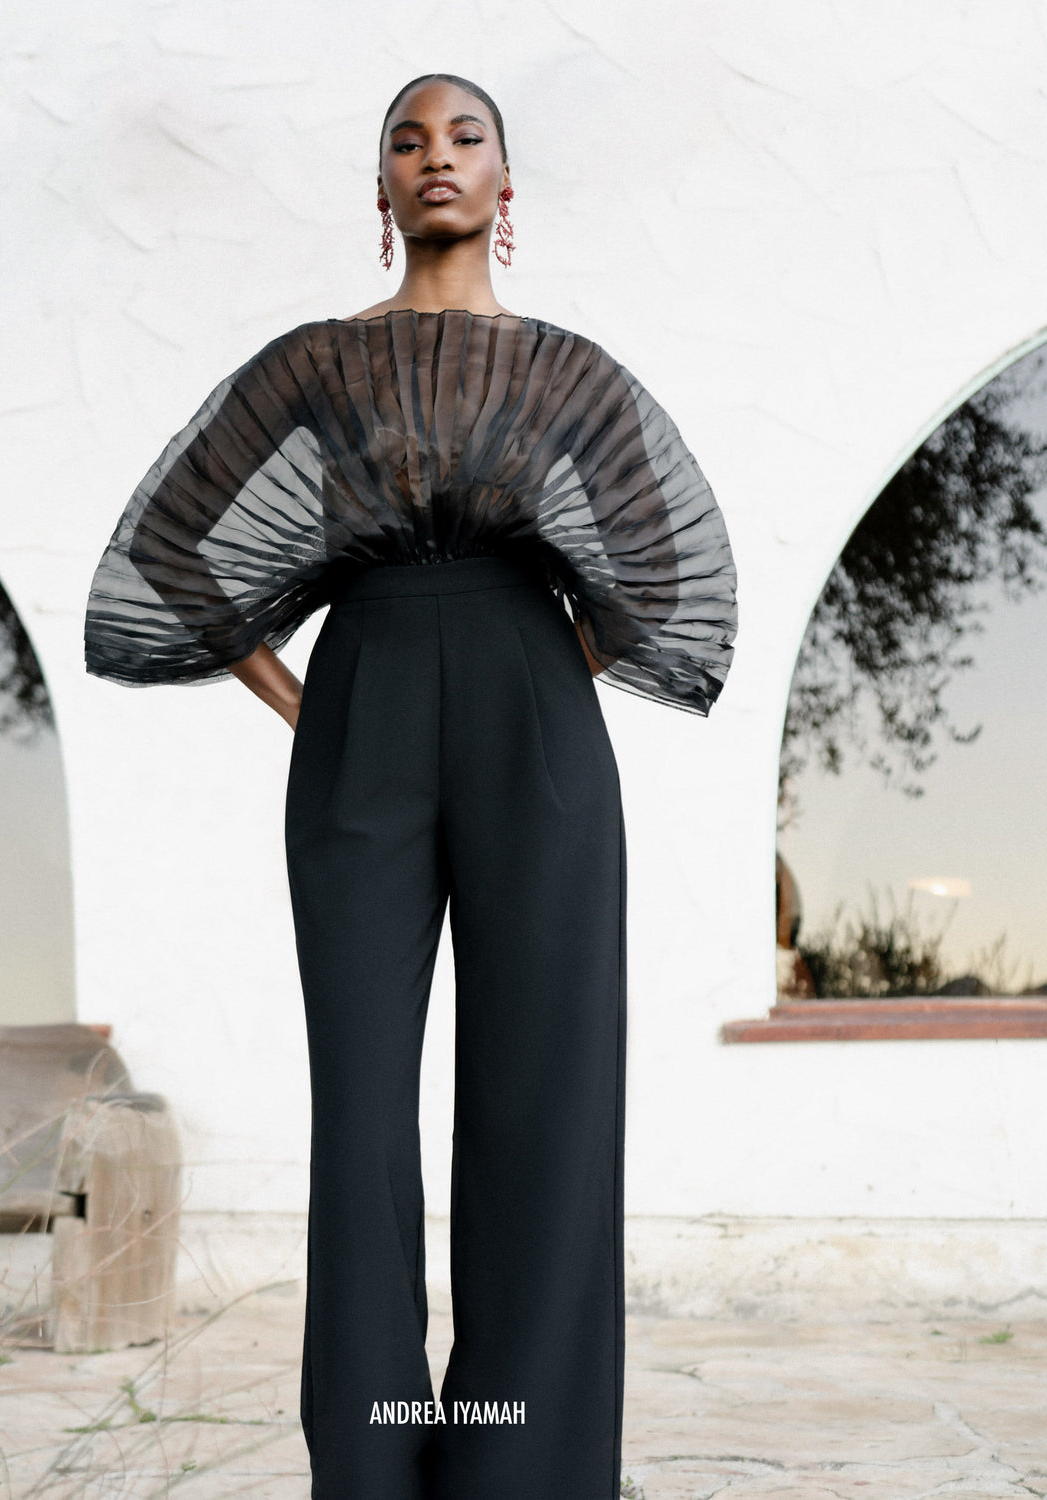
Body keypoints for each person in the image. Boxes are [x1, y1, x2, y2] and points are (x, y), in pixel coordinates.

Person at [85, 71, 737, 1500]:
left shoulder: (565, 372)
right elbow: (174, 547)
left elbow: (661, 569)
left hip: (532, 721)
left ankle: (520, 1463)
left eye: (465, 136)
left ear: (507, 186)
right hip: (364, 703)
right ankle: (374, 1459)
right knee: (364, 1104)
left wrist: (540, 661)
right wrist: (303, 699)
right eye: (406, 139)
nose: (435, 155)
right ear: (379, 187)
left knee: (546, 1093)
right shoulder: (317, 365)